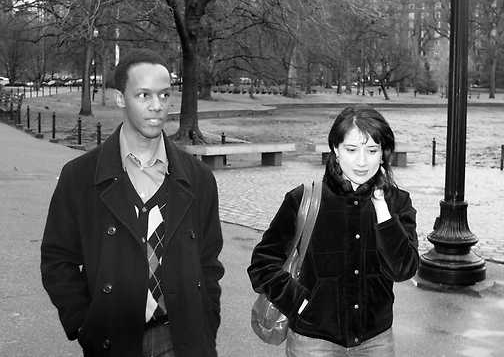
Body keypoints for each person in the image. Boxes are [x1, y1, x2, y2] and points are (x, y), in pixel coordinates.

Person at [41, 49, 224, 357]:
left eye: (165, 95)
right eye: (143, 95)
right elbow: (58, 259)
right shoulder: (80, 177)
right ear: (120, 98)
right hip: (113, 339)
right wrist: (84, 323)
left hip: (182, 339)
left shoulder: (199, 178)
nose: (157, 107)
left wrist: (207, 322)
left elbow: (209, 264)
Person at [248, 105, 418, 356]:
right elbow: (262, 263)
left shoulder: (397, 202)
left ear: (383, 154)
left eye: (372, 150)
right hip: (314, 341)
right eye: (351, 150)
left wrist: (382, 208)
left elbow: (403, 269)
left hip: (376, 340)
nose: (362, 161)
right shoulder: (303, 198)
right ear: (336, 150)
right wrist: (298, 301)